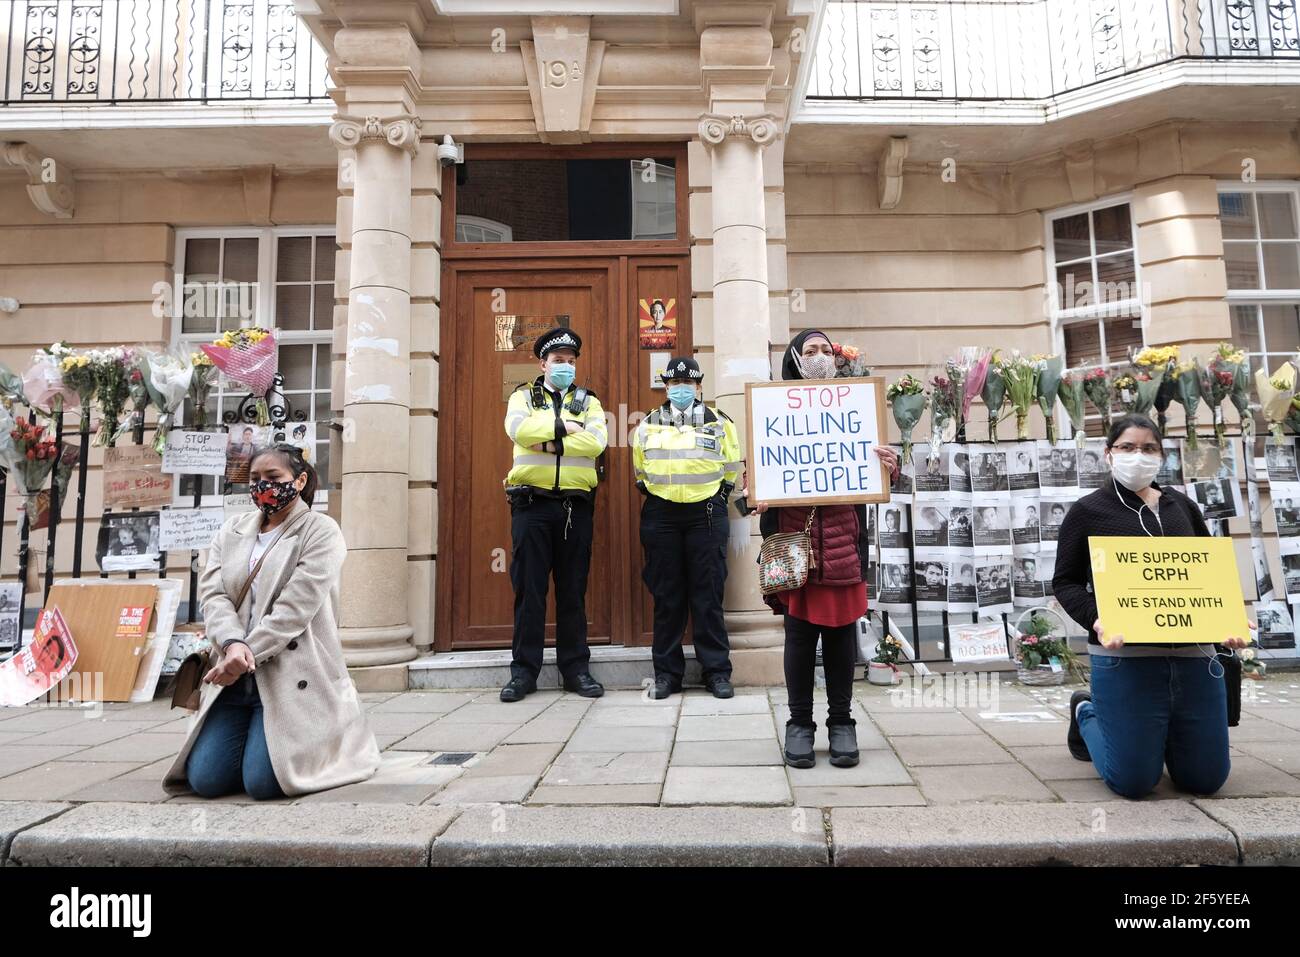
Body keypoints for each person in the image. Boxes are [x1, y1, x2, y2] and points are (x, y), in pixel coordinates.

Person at [1052, 414, 1251, 799]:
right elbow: (1066, 582)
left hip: (1196, 658)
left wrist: (1229, 620)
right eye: (1127, 447)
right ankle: (1086, 712)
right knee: (1133, 782)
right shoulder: (1088, 510)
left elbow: (1208, 574)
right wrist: (1098, 619)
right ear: (1109, 454)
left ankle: (1156, 739)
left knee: (1205, 780)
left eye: (1148, 448)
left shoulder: (1183, 508)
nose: (1138, 455)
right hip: (1126, 657)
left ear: (1161, 455)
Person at [164, 443, 379, 800]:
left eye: (273, 477)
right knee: (206, 781)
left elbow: (295, 607)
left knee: (265, 784)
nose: (262, 486)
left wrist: (247, 651)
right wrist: (232, 644)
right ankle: (254, 737)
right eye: (254, 479)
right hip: (233, 682)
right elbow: (214, 595)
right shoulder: (231, 530)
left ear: (299, 481)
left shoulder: (320, 530)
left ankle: (334, 739)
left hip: (292, 674)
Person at [748, 329, 898, 770]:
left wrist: (893, 466)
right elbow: (757, 478)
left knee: (838, 638)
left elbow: (877, 474)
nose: (819, 357)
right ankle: (799, 724)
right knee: (798, 639)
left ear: (838, 359)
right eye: (809, 351)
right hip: (795, 544)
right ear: (795, 358)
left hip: (840, 543)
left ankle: (841, 723)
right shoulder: (774, 409)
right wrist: (755, 490)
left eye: (826, 351)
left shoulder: (856, 405)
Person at [500, 327, 608, 702]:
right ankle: (523, 673)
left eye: (570, 361)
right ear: (542, 363)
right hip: (532, 505)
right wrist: (563, 429)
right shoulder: (522, 396)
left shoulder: (588, 401)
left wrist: (543, 439)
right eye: (558, 360)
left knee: (573, 591)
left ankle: (575, 669)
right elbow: (516, 429)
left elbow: (596, 441)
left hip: (574, 508)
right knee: (529, 591)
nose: (565, 366)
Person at [632, 356, 741, 699]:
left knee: (708, 596)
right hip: (662, 515)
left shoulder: (719, 421)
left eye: (688, 384)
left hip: (705, 515)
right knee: (667, 597)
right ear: (666, 386)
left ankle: (717, 673)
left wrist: (720, 496)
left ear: (699, 386)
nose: (681, 389)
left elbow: (732, 465)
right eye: (674, 383)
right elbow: (640, 472)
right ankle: (667, 675)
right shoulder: (648, 424)